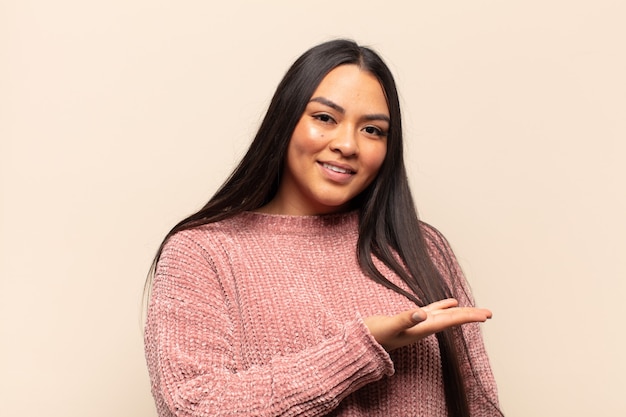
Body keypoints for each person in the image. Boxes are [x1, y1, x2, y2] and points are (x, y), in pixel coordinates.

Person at [144, 39, 503, 417]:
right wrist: (360, 349)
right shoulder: (203, 251)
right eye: (325, 118)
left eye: (372, 130)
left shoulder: (421, 247)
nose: (348, 144)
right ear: (285, 120)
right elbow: (194, 407)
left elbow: (479, 405)